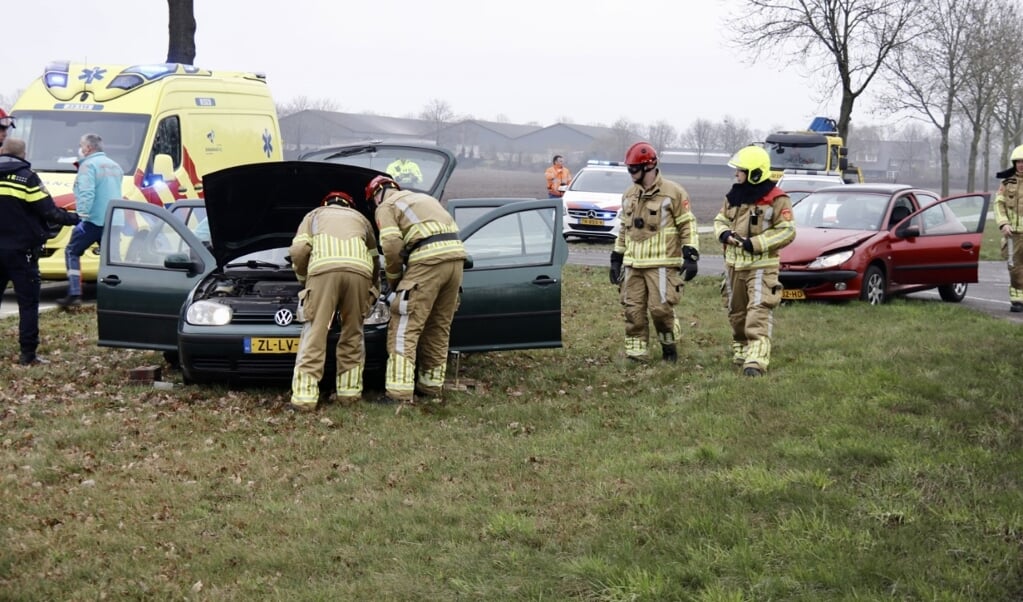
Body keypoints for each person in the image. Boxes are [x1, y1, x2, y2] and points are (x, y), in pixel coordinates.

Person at [366, 174, 466, 404]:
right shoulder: (425, 199)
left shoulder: (387, 205)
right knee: (438, 326)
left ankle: (398, 394)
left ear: (376, 196)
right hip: (455, 262)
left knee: (404, 325)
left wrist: (395, 281)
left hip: (427, 261)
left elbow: (390, 247)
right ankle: (430, 387)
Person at [287, 191, 380, 412]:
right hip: (360, 274)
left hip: (323, 272)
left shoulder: (314, 215)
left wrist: (304, 279)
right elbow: (375, 258)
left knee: (316, 332)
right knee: (353, 332)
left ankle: (304, 398)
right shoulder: (361, 219)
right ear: (349, 205)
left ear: (326, 203)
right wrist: (373, 286)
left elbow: (299, 250)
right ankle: (349, 394)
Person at [609, 142, 699, 363]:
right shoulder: (629, 194)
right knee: (633, 310)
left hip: (662, 263)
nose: (630, 174)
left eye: (633, 169)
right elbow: (624, 229)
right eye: (628, 169)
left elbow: (687, 224)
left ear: (648, 167)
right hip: (633, 264)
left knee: (660, 310)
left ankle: (669, 347)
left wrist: (691, 254)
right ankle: (636, 354)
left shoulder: (674, 193)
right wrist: (616, 258)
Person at [712, 145, 796, 376]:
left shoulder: (777, 200)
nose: (736, 174)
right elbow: (720, 220)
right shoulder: (734, 196)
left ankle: (756, 361)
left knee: (758, 310)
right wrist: (724, 234)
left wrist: (755, 243)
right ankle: (742, 349)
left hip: (761, 266)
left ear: (755, 173)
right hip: (733, 265)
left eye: (741, 170)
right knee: (736, 312)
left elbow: (787, 231)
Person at [0, 137, 80, 365]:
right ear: (23, 155)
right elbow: (50, 212)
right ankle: (28, 354)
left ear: (2, 151)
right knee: (27, 304)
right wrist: (76, 219)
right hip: (21, 252)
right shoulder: (27, 178)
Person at [56, 133, 124, 308]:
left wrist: (81, 216)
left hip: (93, 220)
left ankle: (74, 293)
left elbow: (86, 193)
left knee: (72, 251)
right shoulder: (115, 166)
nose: (80, 148)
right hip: (114, 219)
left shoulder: (88, 166)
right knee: (111, 259)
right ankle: (113, 297)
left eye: (81, 145)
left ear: (88, 148)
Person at [995, 144, 1023, 313]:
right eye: (1018, 162)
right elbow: (999, 204)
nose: (1021, 164)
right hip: (1013, 235)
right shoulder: (1006, 182)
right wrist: (1003, 223)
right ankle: (1017, 300)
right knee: (1014, 267)